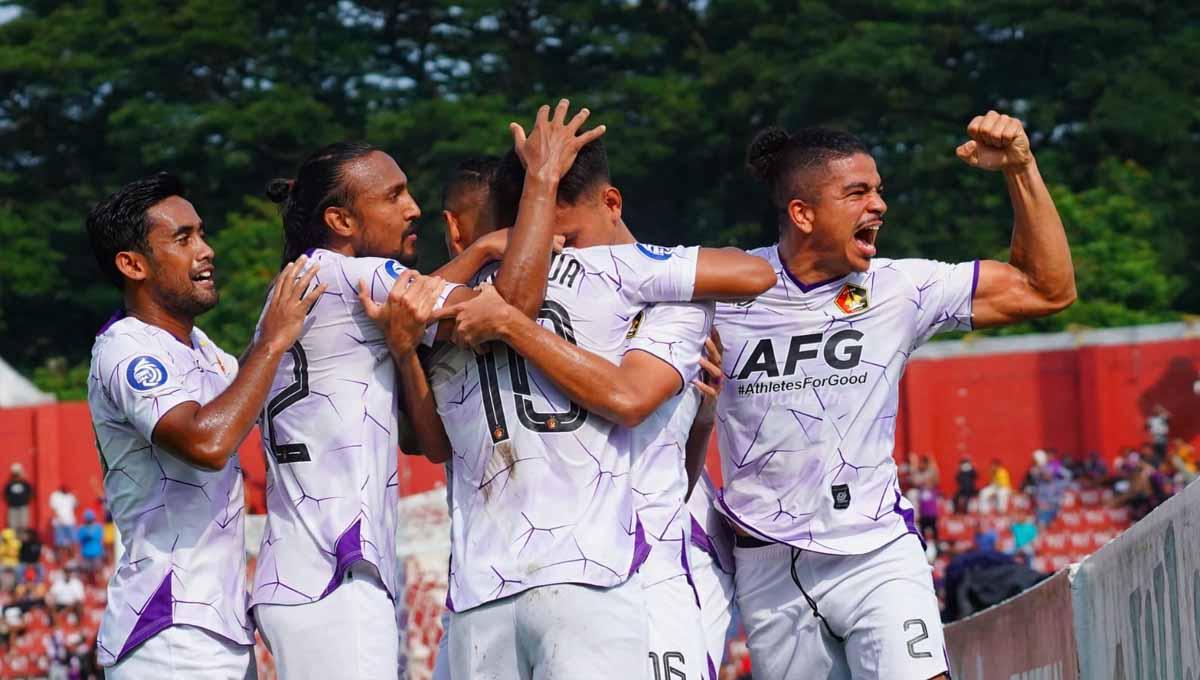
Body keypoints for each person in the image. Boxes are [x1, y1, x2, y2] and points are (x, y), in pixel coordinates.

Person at [406, 106, 776, 678]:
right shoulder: (621, 277)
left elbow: (656, 437)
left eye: (570, 237)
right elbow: (751, 275)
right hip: (596, 569)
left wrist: (702, 418)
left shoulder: (444, 303)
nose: (564, 249)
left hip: (589, 567)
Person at [709, 111, 1075, 679]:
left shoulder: (900, 288)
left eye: (878, 191)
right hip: (768, 563)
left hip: (878, 550)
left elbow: (1047, 289)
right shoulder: (720, 290)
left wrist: (1021, 169)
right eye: (857, 193)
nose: (878, 205)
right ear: (802, 213)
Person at [248, 102, 606, 680]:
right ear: (340, 221)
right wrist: (536, 192)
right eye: (392, 196)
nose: (411, 208)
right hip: (336, 569)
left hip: (298, 570)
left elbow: (423, 437)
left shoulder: (295, 281)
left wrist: (482, 249)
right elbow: (509, 310)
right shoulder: (363, 276)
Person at [85, 172, 323, 678]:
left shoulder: (204, 350)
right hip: (168, 626)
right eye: (183, 238)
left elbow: (252, 397)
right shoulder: (126, 348)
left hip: (219, 624)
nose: (206, 250)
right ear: (132, 265)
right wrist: (271, 341)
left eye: (202, 233)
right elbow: (207, 441)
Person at [48, 486, 78, 559]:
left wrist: (75, 495)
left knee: (72, 542)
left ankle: (72, 560)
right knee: (60, 544)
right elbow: (53, 509)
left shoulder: (71, 496)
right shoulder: (55, 496)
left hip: (70, 523)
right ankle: (62, 562)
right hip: (59, 523)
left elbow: (76, 505)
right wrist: (60, 518)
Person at [3, 464, 32, 532]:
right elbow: (5, 494)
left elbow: (30, 493)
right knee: (12, 525)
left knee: (23, 526)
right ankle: (13, 541)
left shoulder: (25, 483)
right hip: (12, 507)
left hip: (23, 507)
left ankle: (22, 541)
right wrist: (11, 501)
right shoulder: (10, 484)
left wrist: (25, 501)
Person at [76, 511, 104, 578]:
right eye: (88, 519)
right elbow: (79, 539)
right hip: (86, 554)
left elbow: (99, 537)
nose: (89, 521)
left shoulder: (98, 527)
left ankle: (99, 586)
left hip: (96, 553)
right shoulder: (82, 529)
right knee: (85, 572)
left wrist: (91, 534)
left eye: (90, 519)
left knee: (97, 571)